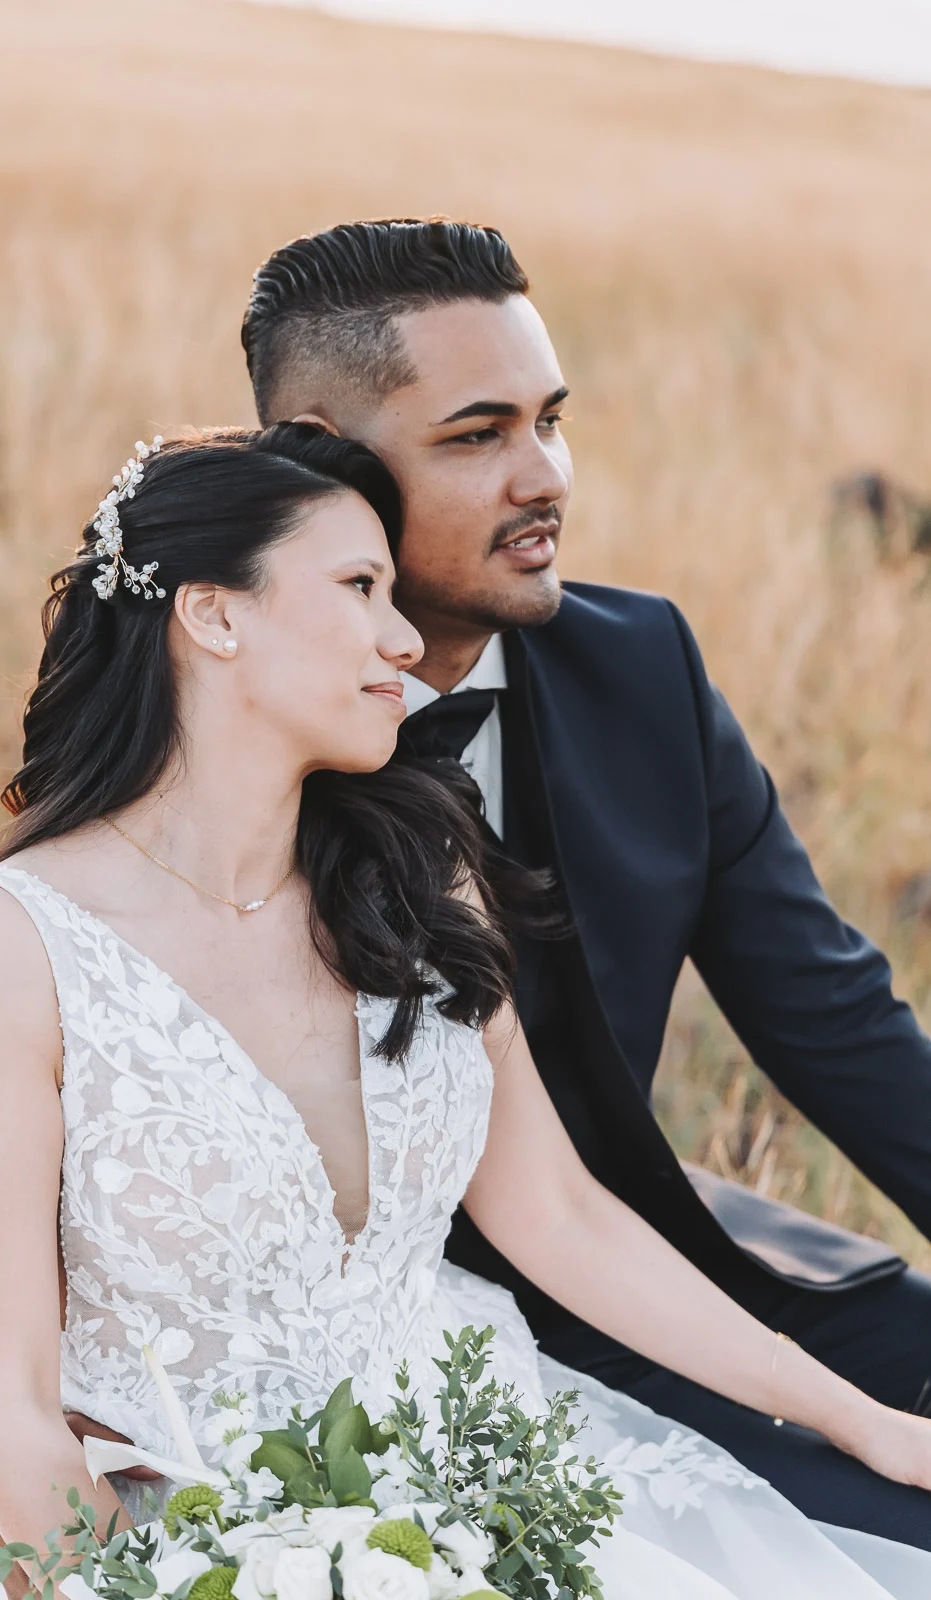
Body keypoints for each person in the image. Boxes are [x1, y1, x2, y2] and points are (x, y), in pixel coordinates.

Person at [0, 421, 931, 1600]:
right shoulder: (2, 950)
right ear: (215, 616)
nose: (405, 638)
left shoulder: (417, 876)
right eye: (360, 588)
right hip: (165, 1542)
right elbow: (4, 1403)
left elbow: (561, 1217)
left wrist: (859, 1419)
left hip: (483, 1494)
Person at [228, 219, 931, 1550]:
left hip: (672, 1266)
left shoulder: (640, 666)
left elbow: (833, 1021)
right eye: (475, 435)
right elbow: (55, 1058)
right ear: (322, 457)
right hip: (400, 1358)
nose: (542, 475)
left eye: (548, 421)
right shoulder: (215, 735)